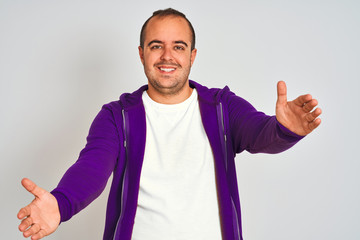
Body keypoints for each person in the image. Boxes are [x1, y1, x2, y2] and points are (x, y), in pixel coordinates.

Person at [17, 8, 322, 240]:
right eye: (155, 46)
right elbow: (91, 168)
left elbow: (260, 134)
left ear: (192, 55)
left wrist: (285, 130)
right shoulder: (117, 116)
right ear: (141, 54)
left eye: (178, 46)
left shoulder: (222, 108)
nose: (167, 56)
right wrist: (62, 203)